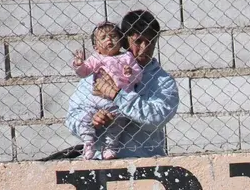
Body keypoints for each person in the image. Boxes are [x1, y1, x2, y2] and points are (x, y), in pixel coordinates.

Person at [65, 10, 179, 159]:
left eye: (150, 41)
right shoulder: (97, 72)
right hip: (100, 165)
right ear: (124, 41)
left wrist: (119, 96)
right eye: (138, 41)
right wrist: (94, 119)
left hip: (144, 162)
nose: (144, 48)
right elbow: (72, 117)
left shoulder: (162, 81)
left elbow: (156, 119)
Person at [72, 22, 143, 160]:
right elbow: (84, 72)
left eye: (113, 36)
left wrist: (130, 73)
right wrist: (79, 65)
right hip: (97, 99)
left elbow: (138, 76)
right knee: (85, 118)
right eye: (103, 38)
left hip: (117, 100)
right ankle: (88, 143)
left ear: (121, 41)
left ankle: (111, 147)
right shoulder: (97, 58)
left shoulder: (127, 57)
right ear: (96, 47)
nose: (109, 40)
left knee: (117, 123)